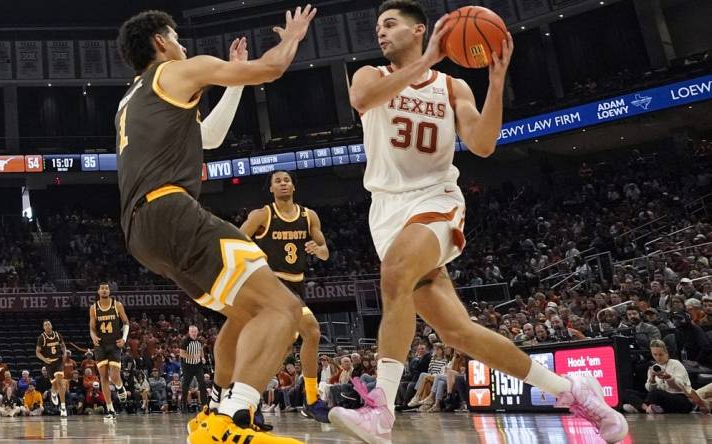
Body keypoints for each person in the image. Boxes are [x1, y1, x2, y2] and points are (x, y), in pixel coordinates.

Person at [327, 2, 627, 443]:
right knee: (456, 331)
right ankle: (573, 390)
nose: (381, 33)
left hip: (435, 199)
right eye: (378, 27)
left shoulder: (452, 88)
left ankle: (381, 412)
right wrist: (427, 59)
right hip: (385, 210)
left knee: (394, 275)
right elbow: (361, 101)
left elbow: (483, 144)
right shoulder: (370, 75)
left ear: (419, 30)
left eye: (390, 25)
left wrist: (497, 80)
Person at [115, 6, 316, 443]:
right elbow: (273, 67)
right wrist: (294, 37)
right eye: (176, 35)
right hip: (170, 210)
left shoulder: (133, 97)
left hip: (141, 232)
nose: (183, 43)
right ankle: (236, 420)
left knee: (243, 313)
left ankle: (214, 410)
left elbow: (210, 138)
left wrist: (236, 80)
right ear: (160, 42)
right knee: (283, 310)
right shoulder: (177, 69)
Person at [239, 170, 331, 422]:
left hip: (297, 286)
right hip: (272, 285)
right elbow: (235, 241)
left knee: (282, 347)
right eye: (277, 181)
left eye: (286, 180)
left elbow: (325, 253)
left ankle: (252, 403)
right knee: (310, 331)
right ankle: (308, 400)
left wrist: (318, 249)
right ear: (270, 188)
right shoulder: (262, 215)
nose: (283, 183)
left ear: (293, 186)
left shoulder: (308, 216)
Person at [89, 282, 130, 419]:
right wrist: (93, 335)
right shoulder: (93, 308)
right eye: (102, 288)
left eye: (106, 288)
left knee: (114, 375)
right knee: (104, 377)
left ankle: (120, 387)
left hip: (114, 344)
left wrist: (124, 338)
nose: (105, 290)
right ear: (98, 291)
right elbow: (92, 328)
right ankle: (110, 409)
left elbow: (126, 323)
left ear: (109, 291)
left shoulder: (117, 305)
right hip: (100, 346)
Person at [622, 339, 693, 413]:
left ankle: (640, 408)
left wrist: (669, 378)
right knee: (625, 392)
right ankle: (647, 408)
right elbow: (649, 389)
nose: (658, 357)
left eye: (660, 354)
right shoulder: (653, 368)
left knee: (655, 394)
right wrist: (652, 379)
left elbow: (681, 385)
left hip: (679, 397)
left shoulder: (675, 364)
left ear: (666, 353)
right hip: (658, 398)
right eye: (655, 354)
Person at [36, 319, 68, 417]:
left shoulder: (58, 335)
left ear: (51, 325)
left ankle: (63, 407)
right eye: (45, 325)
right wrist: (44, 360)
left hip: (58, 361)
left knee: (60, 382)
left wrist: (65, 353)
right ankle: (53, 393)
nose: (47, 326)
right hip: (49, 363)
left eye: (49, 324)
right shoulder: (42, 337)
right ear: (43, 327)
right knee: (55, 385)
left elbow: (63, 346)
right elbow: (37, 352)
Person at [179, 325, 207, 407]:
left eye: (195, 331)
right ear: (189, 332)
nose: (194, 333)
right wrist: (192, 356)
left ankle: (204, 404)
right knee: (185, 385)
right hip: (187, 366)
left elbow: (201, 349)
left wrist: (203, 357)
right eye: (192, 332)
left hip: (198, 365)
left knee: (202, 384)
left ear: (197, 332)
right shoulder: (185, 341)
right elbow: (181, 354)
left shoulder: (200, 340)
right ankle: (183, 404)